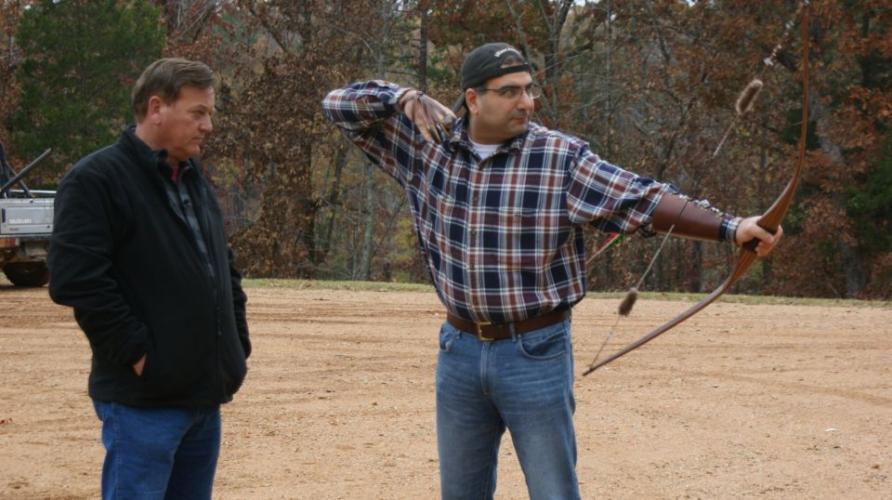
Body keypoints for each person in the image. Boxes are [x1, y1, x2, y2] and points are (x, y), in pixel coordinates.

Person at [322, 42, 782, 499]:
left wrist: (732, 227)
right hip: (458, 350)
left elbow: (641, 199)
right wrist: (402, 97)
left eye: (528, 89)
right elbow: (337, 106)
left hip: (535, 352)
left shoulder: (559, 157)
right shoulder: (428, 146)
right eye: (509, 92)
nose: (526, 102)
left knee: (553, 492)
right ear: (473, 99)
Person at [48, 58, 251, 500]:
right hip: (143, 403)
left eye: (210, 113)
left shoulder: (191, 178)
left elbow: (223, 266)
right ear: (157, 108)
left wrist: (236, 344)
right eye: (198, 113)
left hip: (202, 398)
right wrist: (140, 356)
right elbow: (77, 281)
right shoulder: (96, 180)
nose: (208, 126)